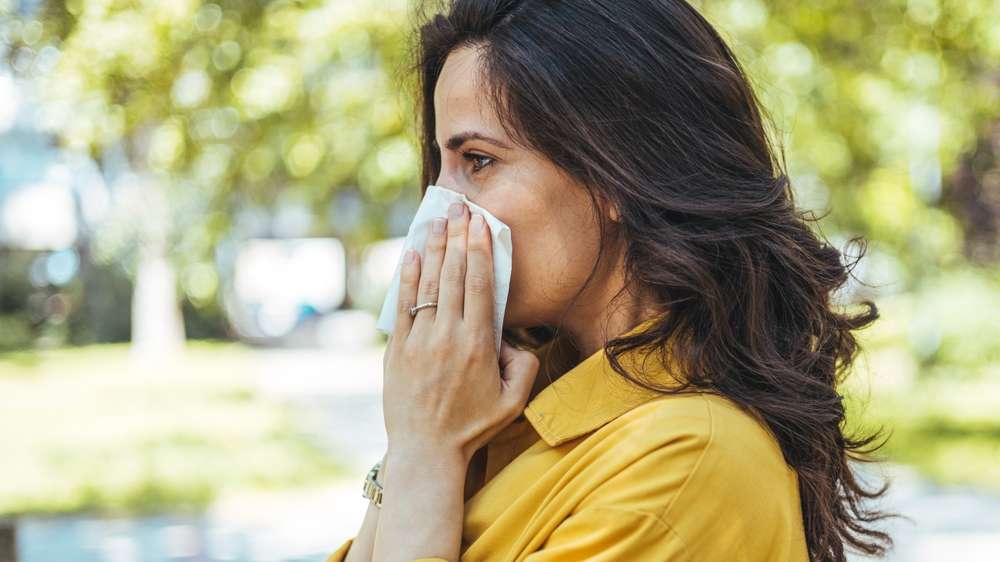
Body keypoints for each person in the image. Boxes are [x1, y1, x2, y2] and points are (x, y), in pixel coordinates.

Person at [328, 1, 895, 560]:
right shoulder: (505, 405)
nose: (440, 208)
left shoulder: (686, 461)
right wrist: (417, 441)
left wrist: (424, 450)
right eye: (442, 166)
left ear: (614, 176)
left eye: (478, 161)